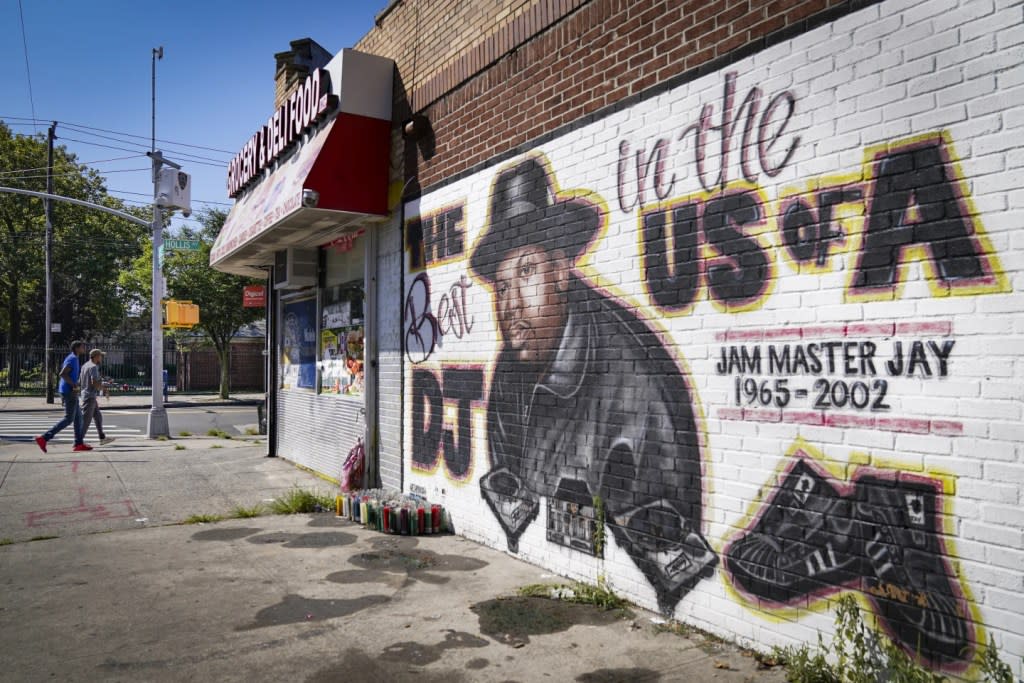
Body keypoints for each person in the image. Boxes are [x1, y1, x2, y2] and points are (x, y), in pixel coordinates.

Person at [470, 156, 716, 613]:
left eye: (526, 273)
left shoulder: (634, 385)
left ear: (561, 271)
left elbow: (671, 562)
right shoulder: (511, 369)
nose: (510, 304)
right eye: (502, 287)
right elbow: (513, 493)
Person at [35, 340, 92, 453]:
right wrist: (73, 384)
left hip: (70, 391)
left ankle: (78, 444)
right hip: (69, 391)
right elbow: (62, 373)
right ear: (76, 348)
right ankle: (44, 438)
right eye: (82, 346)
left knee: (78, 418)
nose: (84, 348)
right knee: (69, 419)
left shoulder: (74, 358)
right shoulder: (72, 359)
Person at [79, 349, 115, 446]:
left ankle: (102, 437)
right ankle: (78, 442)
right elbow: (94, 382)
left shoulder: (85, 366)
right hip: (89, 397)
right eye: (101, 356)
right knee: (86, 421)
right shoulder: (94, 367)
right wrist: (103, 388)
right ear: (96, 356)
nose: (102, 358)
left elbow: (81, 381)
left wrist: (101, 385)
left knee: (98, 416)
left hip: (87, 395)